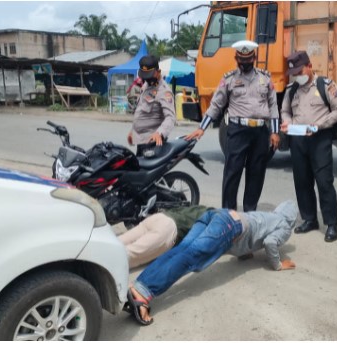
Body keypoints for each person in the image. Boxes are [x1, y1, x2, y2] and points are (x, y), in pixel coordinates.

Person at [124, 200, 298, 325]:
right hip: (228, 225)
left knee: (181, 250)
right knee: (189, 258)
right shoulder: (285, 225)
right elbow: (270, 242)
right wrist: (278, 264)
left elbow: (252, 230)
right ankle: (143, 293)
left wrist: (245, 252)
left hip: (217, 215)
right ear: (292, 219)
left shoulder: (268, 216)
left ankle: (139, 286)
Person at [185, 40, 280, 211]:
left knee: (256, 174)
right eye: (241, 60)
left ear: (254, 58)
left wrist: (274, 132)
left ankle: (250, 212)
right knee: (232, 173)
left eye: (248, 60)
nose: (245, 63)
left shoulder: (265, 78)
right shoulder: (228, 79)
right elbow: (216, 105)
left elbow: (273, 106)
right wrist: (202, 127)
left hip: (260, 132)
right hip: (237, 131)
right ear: (236, 58)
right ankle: (228, 214)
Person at [280, 50, 337, 242]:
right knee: (302, 181)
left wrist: (319, 125)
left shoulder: (325, 85)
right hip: (298, 139)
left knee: (324, 182)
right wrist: (287, 122)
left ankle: (331, 223)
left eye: (300, 72)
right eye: (295, 74)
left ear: (309, 66)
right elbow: (284, 110)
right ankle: (309, 219)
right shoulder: (292, 89)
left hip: (319, 138)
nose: (298, 76)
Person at [119, 205, 212, 268]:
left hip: (158, 217)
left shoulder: (200, 207)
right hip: (169, 229)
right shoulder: (216, 221)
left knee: (117, 242)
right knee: (129, 256)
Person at [128, 55, 176, 157]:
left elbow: (170, 117)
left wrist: (160, 133)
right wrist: (133, 131)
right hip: (141, 142)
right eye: (144, 76)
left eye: (149, 76)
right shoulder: (146, 86)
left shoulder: (164, 91)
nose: (146, 79)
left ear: (158, 72)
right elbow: (141, 111)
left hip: (152, 143)